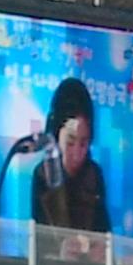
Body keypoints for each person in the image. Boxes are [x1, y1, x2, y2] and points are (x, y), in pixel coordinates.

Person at [28, 76, 111, 234]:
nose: (77, 153)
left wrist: (101, 249)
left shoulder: (94, 175)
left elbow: (105, 233)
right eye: (70, 143)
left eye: (84, 143)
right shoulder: (43, 175)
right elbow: (39, 241)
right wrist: (59, 251)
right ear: (56, 135)